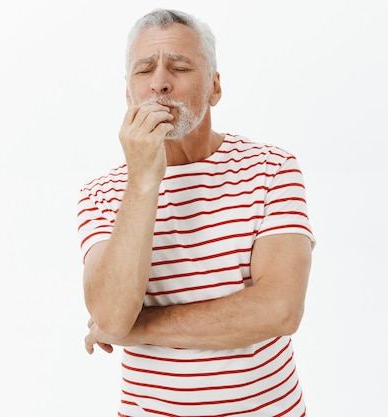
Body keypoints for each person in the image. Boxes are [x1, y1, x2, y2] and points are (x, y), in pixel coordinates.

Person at [77, 8, 315, 417]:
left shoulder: (271, 168)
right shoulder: (101, 194)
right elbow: (111, 314)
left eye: (180, 66)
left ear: (214, 88)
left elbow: (280, 309)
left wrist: (137, 328)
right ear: (127, 93)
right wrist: (143, 181)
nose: (160, 84)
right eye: (144, 70)